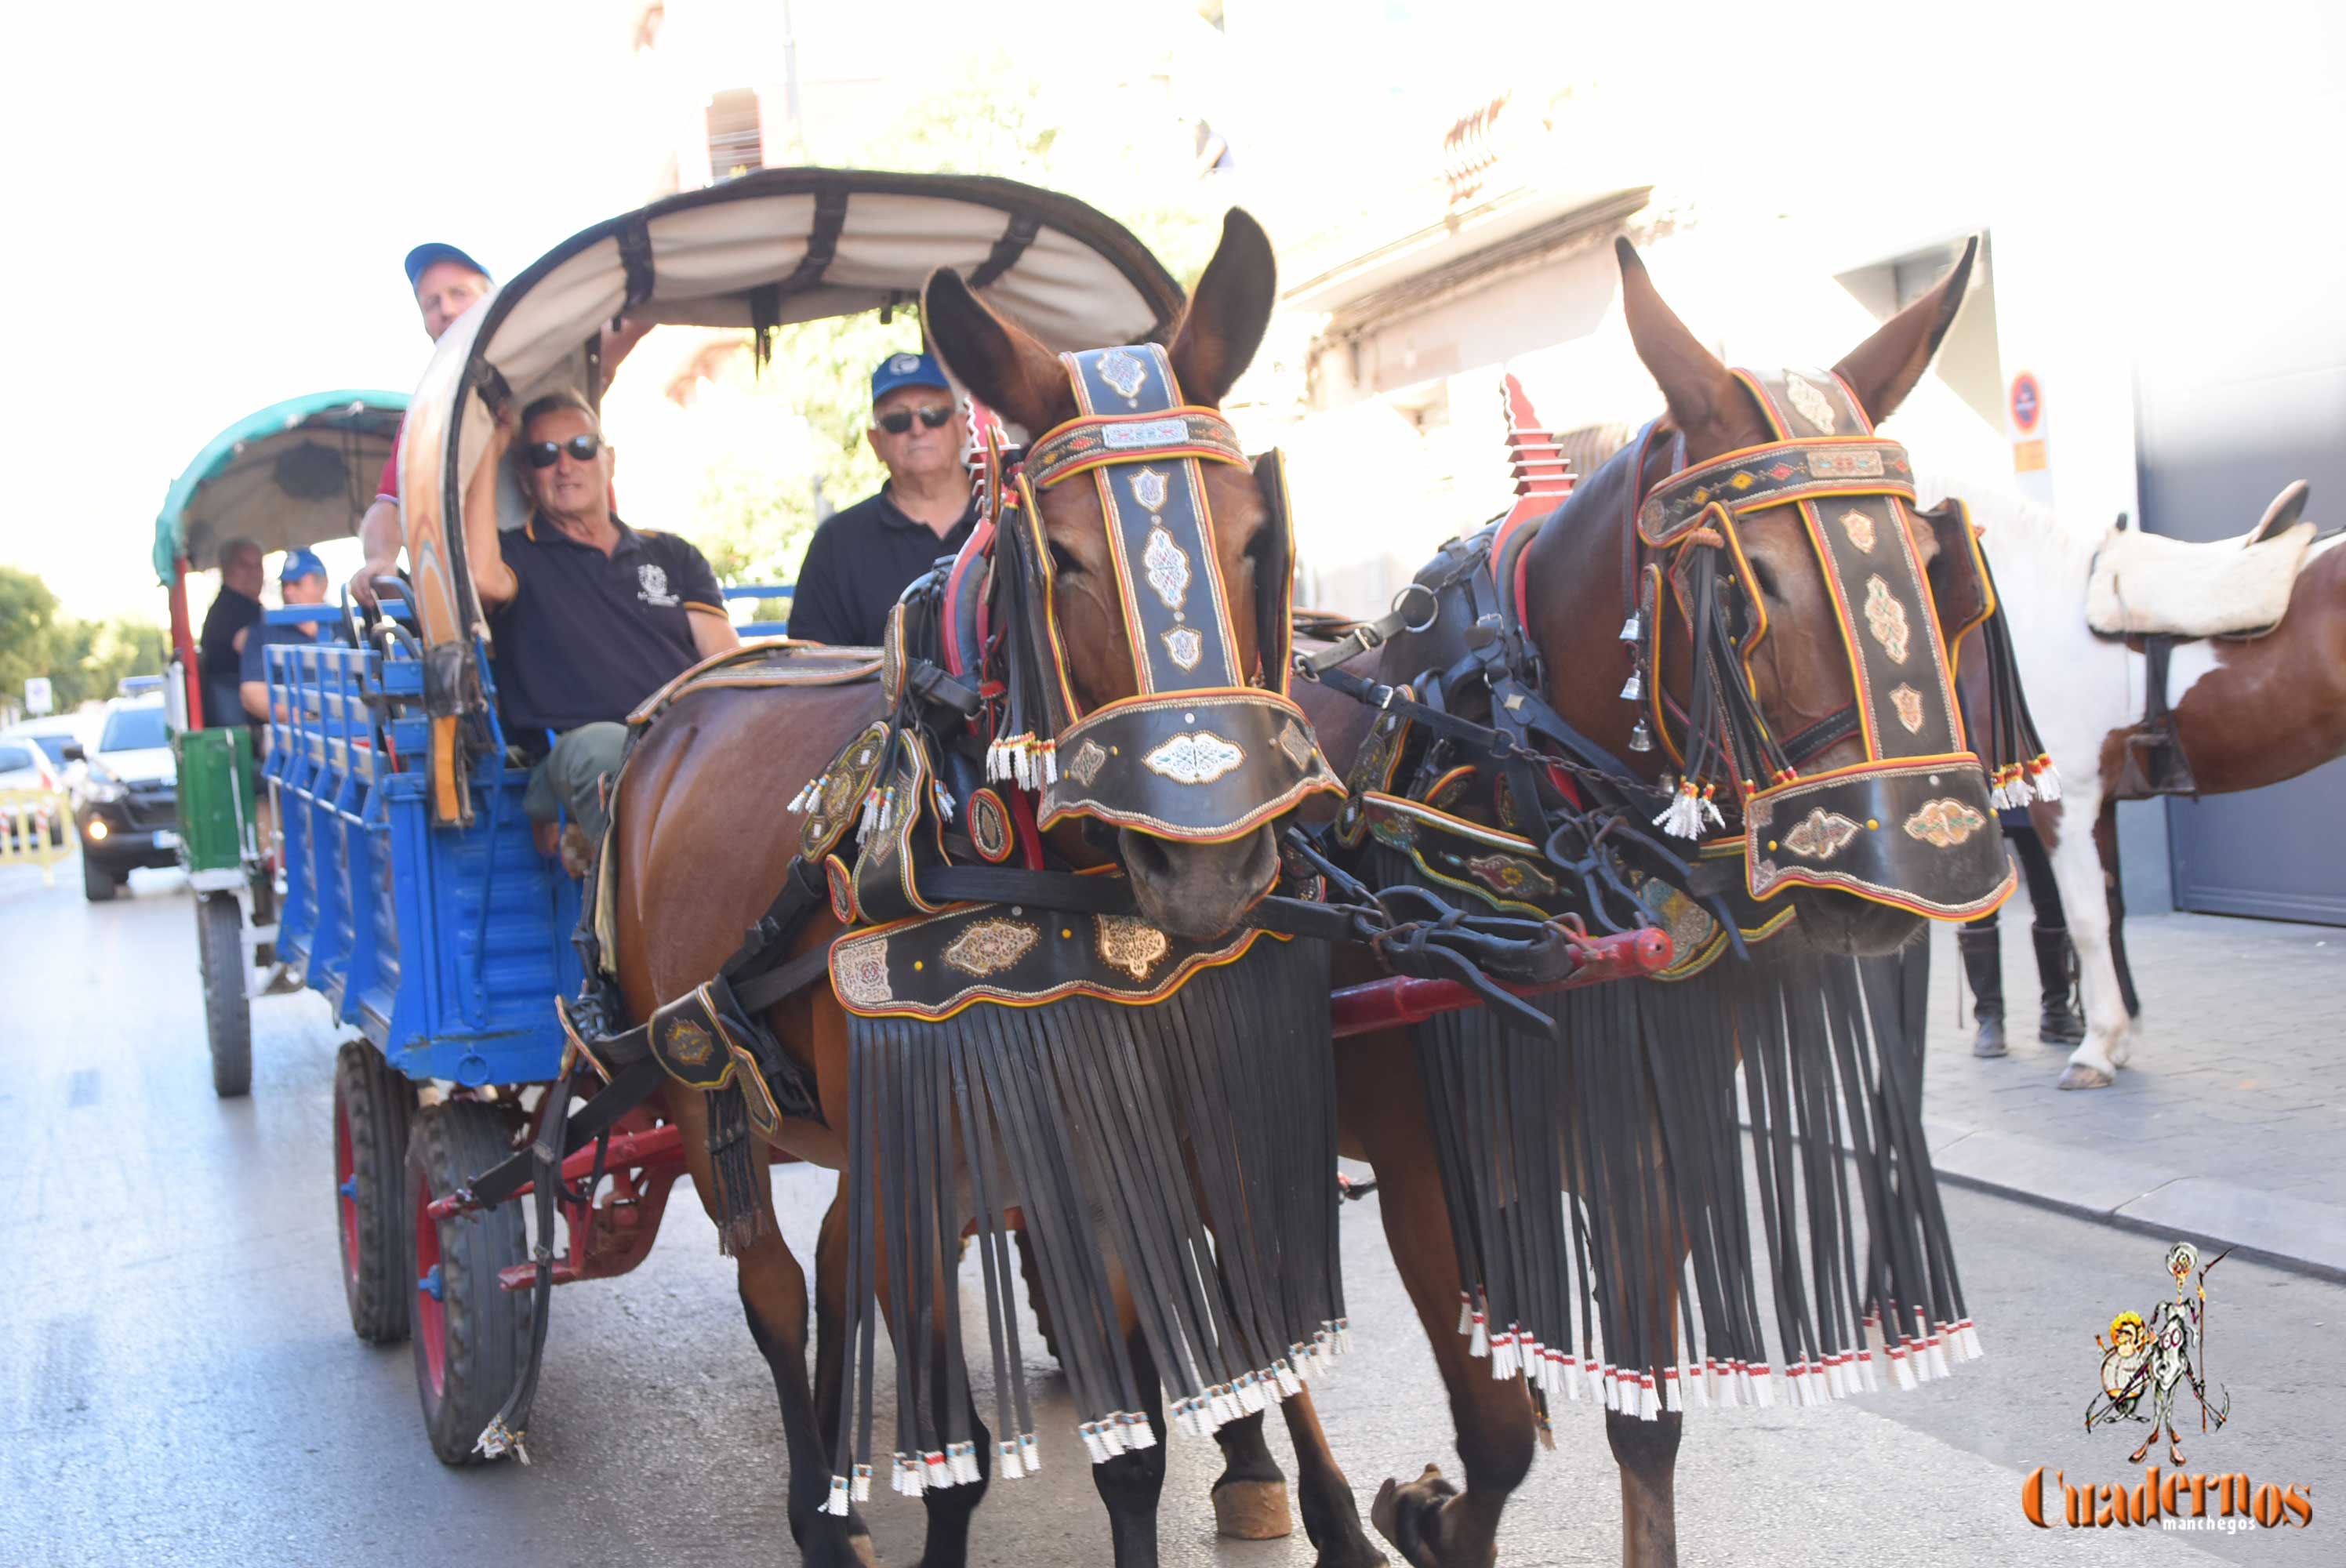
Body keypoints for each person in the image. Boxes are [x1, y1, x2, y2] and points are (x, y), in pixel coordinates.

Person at [462, 390, 736, 869]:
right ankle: (640, 930)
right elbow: (481, 579)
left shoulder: (671, 553)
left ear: (608, 460)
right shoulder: (517, 555)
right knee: (603, 750)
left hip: (684, 737)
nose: (565, 465)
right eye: (544, 456)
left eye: (581, 448)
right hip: (571, 755)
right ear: (526, 478)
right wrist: (494, 444)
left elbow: (726, 662)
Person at [347, 241, 650, 606]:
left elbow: (639, 310)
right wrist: (379, 560)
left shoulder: (559, 359)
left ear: (495, 301)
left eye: (459, 293)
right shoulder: (432, 410)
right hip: (510, 590)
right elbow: (390, 502)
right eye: (431, 303)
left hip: (599, 567)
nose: (446, 309)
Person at [786, 350, 977, 646]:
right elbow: (813, 667)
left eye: (933, 415)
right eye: (898, 420)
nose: (917, 429)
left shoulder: (1012, 515)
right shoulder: (836, 544)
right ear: (876, 443)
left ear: (962, 427)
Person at [1955, 817, 2086, 1056]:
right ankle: (1989, 1018)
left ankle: (2057, 1012)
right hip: (1980, 790)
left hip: (2035, 790)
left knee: (2053, 903)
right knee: (1981, 906)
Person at [239, 549, 334, 724]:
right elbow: (250, 692)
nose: (288, 592)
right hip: (291, 731)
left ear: (322, 585)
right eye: (285, 585)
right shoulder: (265, 630)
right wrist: (293, 715)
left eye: (297, 583)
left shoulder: (345, 625)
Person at [196, 537, 264, 729]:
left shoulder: (251, 607)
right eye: (244, 565)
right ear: (226, 568)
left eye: (257, 565)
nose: (253, 573)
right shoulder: (227, 611)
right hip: (238, 720)